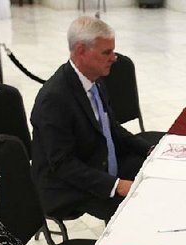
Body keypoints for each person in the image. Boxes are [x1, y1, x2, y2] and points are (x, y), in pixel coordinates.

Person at [30, 16, 150, 223]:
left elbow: (111, 128)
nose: (114, 58)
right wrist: (116, 185)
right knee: (137, 209)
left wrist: (149, 150)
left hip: (97, 161)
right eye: (107, 52)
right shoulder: (54, 100)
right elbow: (63, 165)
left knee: (153, 174)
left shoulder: (95, 80)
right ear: (81, 51)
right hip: (67, 184)